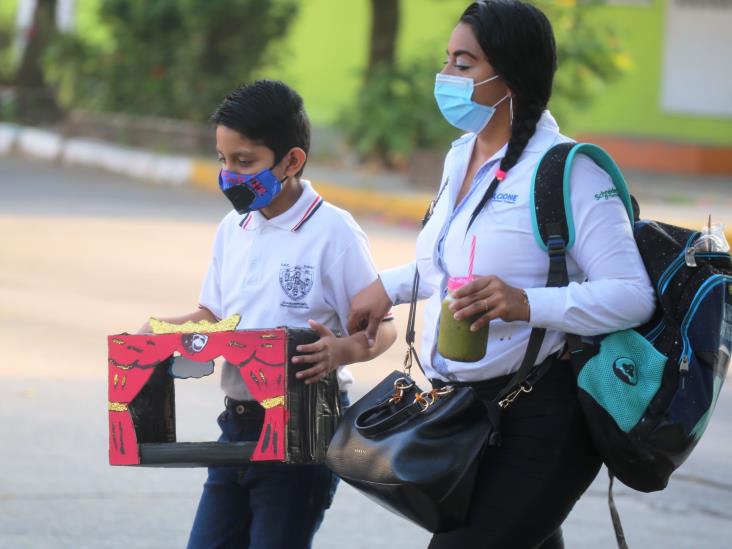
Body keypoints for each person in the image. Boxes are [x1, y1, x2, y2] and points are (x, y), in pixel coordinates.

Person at [347, 2, 655, 548]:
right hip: (465, 407)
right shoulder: (460, 155)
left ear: (510, 75)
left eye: (464, 64)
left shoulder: (569, 169)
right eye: (448, 60)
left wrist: (525, 303)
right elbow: (450, 266)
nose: (446, 77)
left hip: (544, 414)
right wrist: (388, 287)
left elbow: (633, 296)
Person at [140, 80, 396, 549]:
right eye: (223, 160)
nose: (230, 175)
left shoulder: (333, 231)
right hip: (237, 424)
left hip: (303, 426)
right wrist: (159, 332)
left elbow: (384, 331)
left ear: (291, 161)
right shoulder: (232, 228)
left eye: (244, 162)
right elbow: (211, 315)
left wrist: (340, 351)